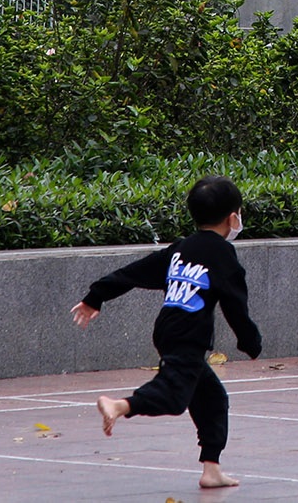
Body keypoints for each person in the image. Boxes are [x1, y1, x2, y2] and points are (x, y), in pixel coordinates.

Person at [72, 175, 262, 491]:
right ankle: (120, 405)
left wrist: (96, 296)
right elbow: (235, 305)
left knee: (212, 398)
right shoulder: (223, 255)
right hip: (188, 336)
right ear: (233, 217)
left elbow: (133, 272)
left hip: (168, 330)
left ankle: (211, 469)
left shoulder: (181, 248)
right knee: (174, 396)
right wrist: (250, 343)